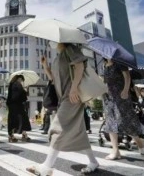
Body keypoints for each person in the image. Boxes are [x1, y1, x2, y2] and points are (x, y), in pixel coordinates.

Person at [27, 43, 99, 175]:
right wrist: (45, 66)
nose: (51, 42)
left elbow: (80, 65)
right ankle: (93, 161)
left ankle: (46, 166)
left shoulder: (70, 49)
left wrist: (74, 87)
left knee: (57, 127)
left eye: (53, 40)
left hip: (72, 96)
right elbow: (53, 80)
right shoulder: (58, 58)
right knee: (80, 132)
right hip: (64, 97)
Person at [102, 59, 144, 160]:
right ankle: (115, 151)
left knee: (125, 122)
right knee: (110, 123)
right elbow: (105, 81)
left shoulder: (120, 62)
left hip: (121, 96)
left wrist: (126, 90)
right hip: (108, 97)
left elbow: (127, 76)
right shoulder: (104, 65)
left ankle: (139, 142)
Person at [7, 75, 32, 142]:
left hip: (13, 105)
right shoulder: (17, 84)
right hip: (17, 105)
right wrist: (25, 90)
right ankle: (23, 135)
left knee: (13, 120)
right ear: (19, 78)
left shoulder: (11, 84)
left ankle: (12, 136)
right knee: (22, 119)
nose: (21, 81)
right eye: (21, 79)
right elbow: (21, 95)